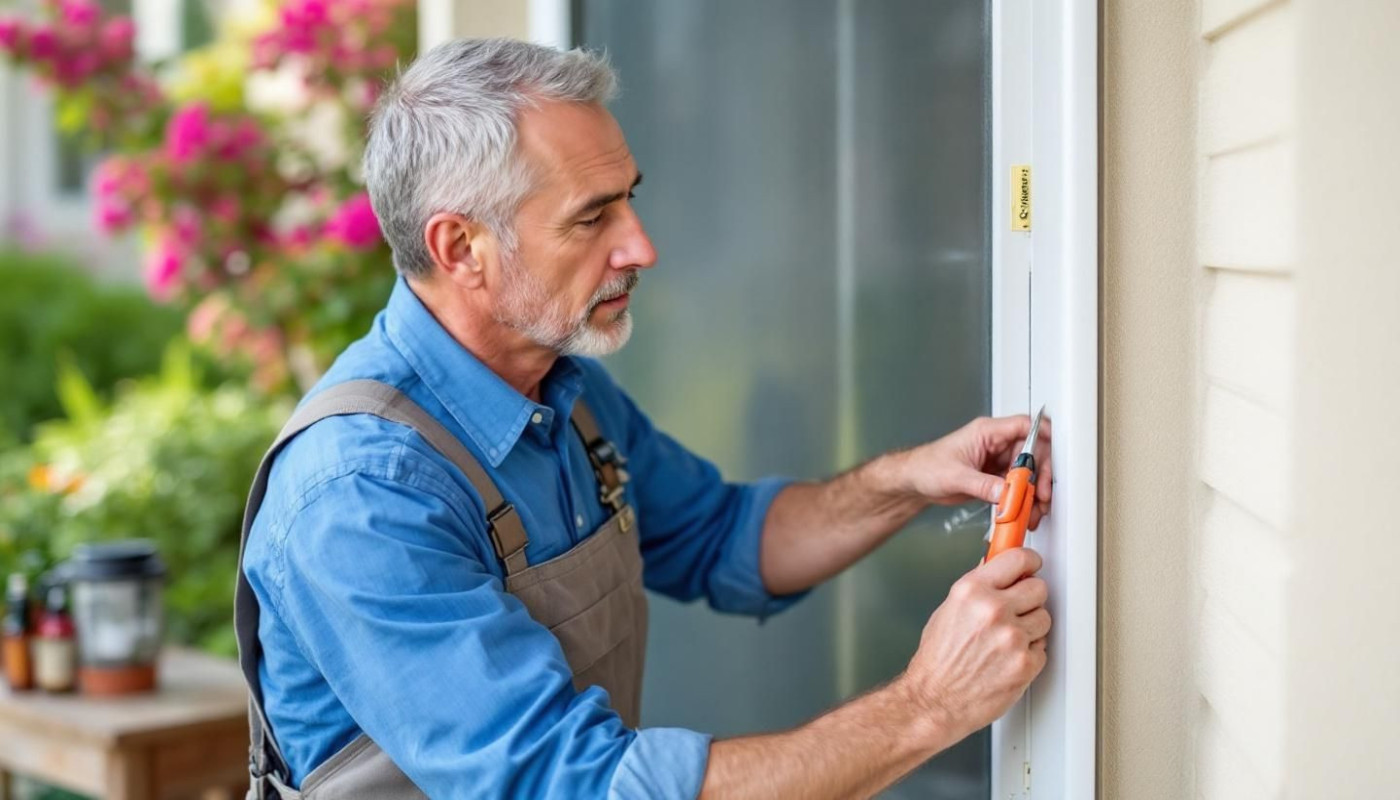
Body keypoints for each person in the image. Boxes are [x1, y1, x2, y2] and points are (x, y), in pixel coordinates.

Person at [235, 38, 1055, 799]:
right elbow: (574, 784)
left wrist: (906, 482)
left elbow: (722, 537)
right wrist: (927, 707)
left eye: (628, 201)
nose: (640, 246)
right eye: (592, 218)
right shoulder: (359, 495)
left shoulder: (562, 388)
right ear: (460, 249)